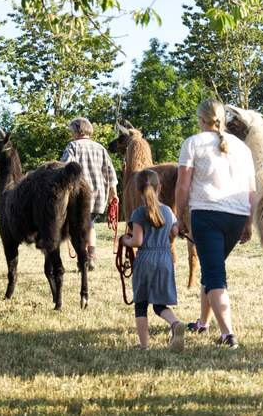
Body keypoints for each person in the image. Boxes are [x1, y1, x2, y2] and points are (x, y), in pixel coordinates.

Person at [175, 99, 256, 349]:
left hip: (207, 213)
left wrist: (180, 216)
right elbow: (252, 190)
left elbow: (183, 185)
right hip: (237, 214)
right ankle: (203, 322)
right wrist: (249, 222)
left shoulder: (193, 143)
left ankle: (228, 334)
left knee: (214, 275)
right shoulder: (243, 148)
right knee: (212, 268)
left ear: (200, 119)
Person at [120, 169, 185, 351]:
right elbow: (174, 233)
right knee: (159, 304)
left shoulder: (138, 214)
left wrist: (125, 240)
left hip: (146, 259)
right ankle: (174, 323)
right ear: (159, 188)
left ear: (138, 191)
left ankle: (144, 345)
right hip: (165, 258)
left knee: (141, 304)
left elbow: (137, 241)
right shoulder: (167, 211)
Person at [61, 117, 118, 270]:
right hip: (98, 195)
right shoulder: (100, 148)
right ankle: (91, 256)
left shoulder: (73, 146)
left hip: (78, 194)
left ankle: (83, 258)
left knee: (76, 227)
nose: (71, 134)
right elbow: (110, 174)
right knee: (89, 224)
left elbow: (65, 167)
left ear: (77, 130)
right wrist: (114, 194)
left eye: (71, 131)